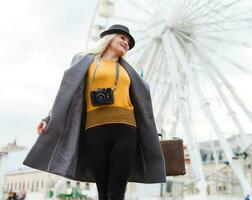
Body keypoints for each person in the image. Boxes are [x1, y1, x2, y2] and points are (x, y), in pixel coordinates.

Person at [27, 24, 166, 200]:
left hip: (127, 130)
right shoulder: (85, 61)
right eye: (122, 38)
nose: (126, 43)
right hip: (94, 131)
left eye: (129, 42)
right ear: (109, 38)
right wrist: (48, 118)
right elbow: (65, 94)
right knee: (102, 190)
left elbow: (143, 106)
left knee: (116, 191)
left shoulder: (128, 71)